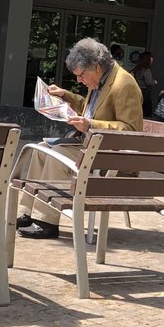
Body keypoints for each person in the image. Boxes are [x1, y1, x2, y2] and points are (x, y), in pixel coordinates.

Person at [17, 37, 143, 239]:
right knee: (40, 149)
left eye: (81, 75)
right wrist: (66, 96)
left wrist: (90, 125)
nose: (79, 80)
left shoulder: (124, 84)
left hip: (108, 155)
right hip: (89, 146)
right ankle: (28, 212)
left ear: (96, 67)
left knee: (56, 155)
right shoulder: (100, 78)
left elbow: (131, 129)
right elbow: (91, 108)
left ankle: (47, 221)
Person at [131, 50, 158, 118]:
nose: (152, 59)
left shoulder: (136, 69)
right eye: (151, 57)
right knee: (146, 113)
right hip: (145, 93)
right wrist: (154, 82)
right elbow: (148, 83)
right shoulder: (146, 70)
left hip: (136, 91)